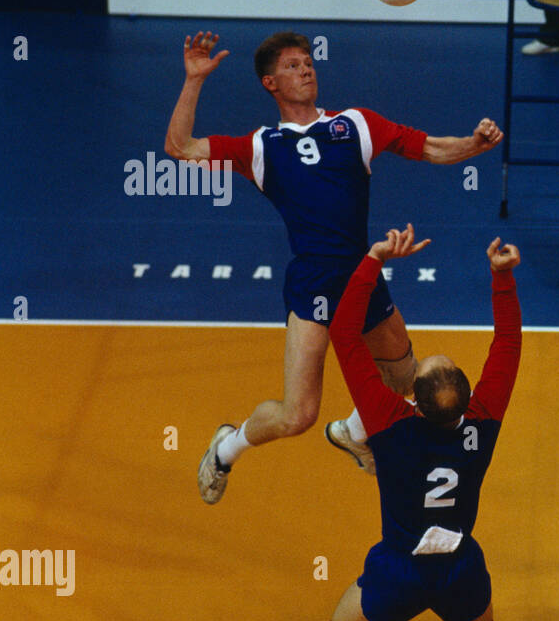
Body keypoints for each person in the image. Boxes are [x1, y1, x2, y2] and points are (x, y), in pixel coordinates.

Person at [165, 30, 503, 504]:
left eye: (308, 62)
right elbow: (179, 148)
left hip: (363, 277)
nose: (305, 69)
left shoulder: (355, 124)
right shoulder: (261, 147)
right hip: (313, 286)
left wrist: (474, 144)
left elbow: (427, 147)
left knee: (407, 384)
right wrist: (194, 81)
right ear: (270, 84)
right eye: (291, 65)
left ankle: (351, 431)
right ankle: (226, 448)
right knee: (297, 415)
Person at [307, 225, 525, 621]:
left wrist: (374, 259)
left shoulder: (387, 421)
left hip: (399, 571)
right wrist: (502, 278)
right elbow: (509, 342)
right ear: (465, 399)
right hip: (459, 568)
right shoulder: (484, 421)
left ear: (415, 400)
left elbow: (342, 333)